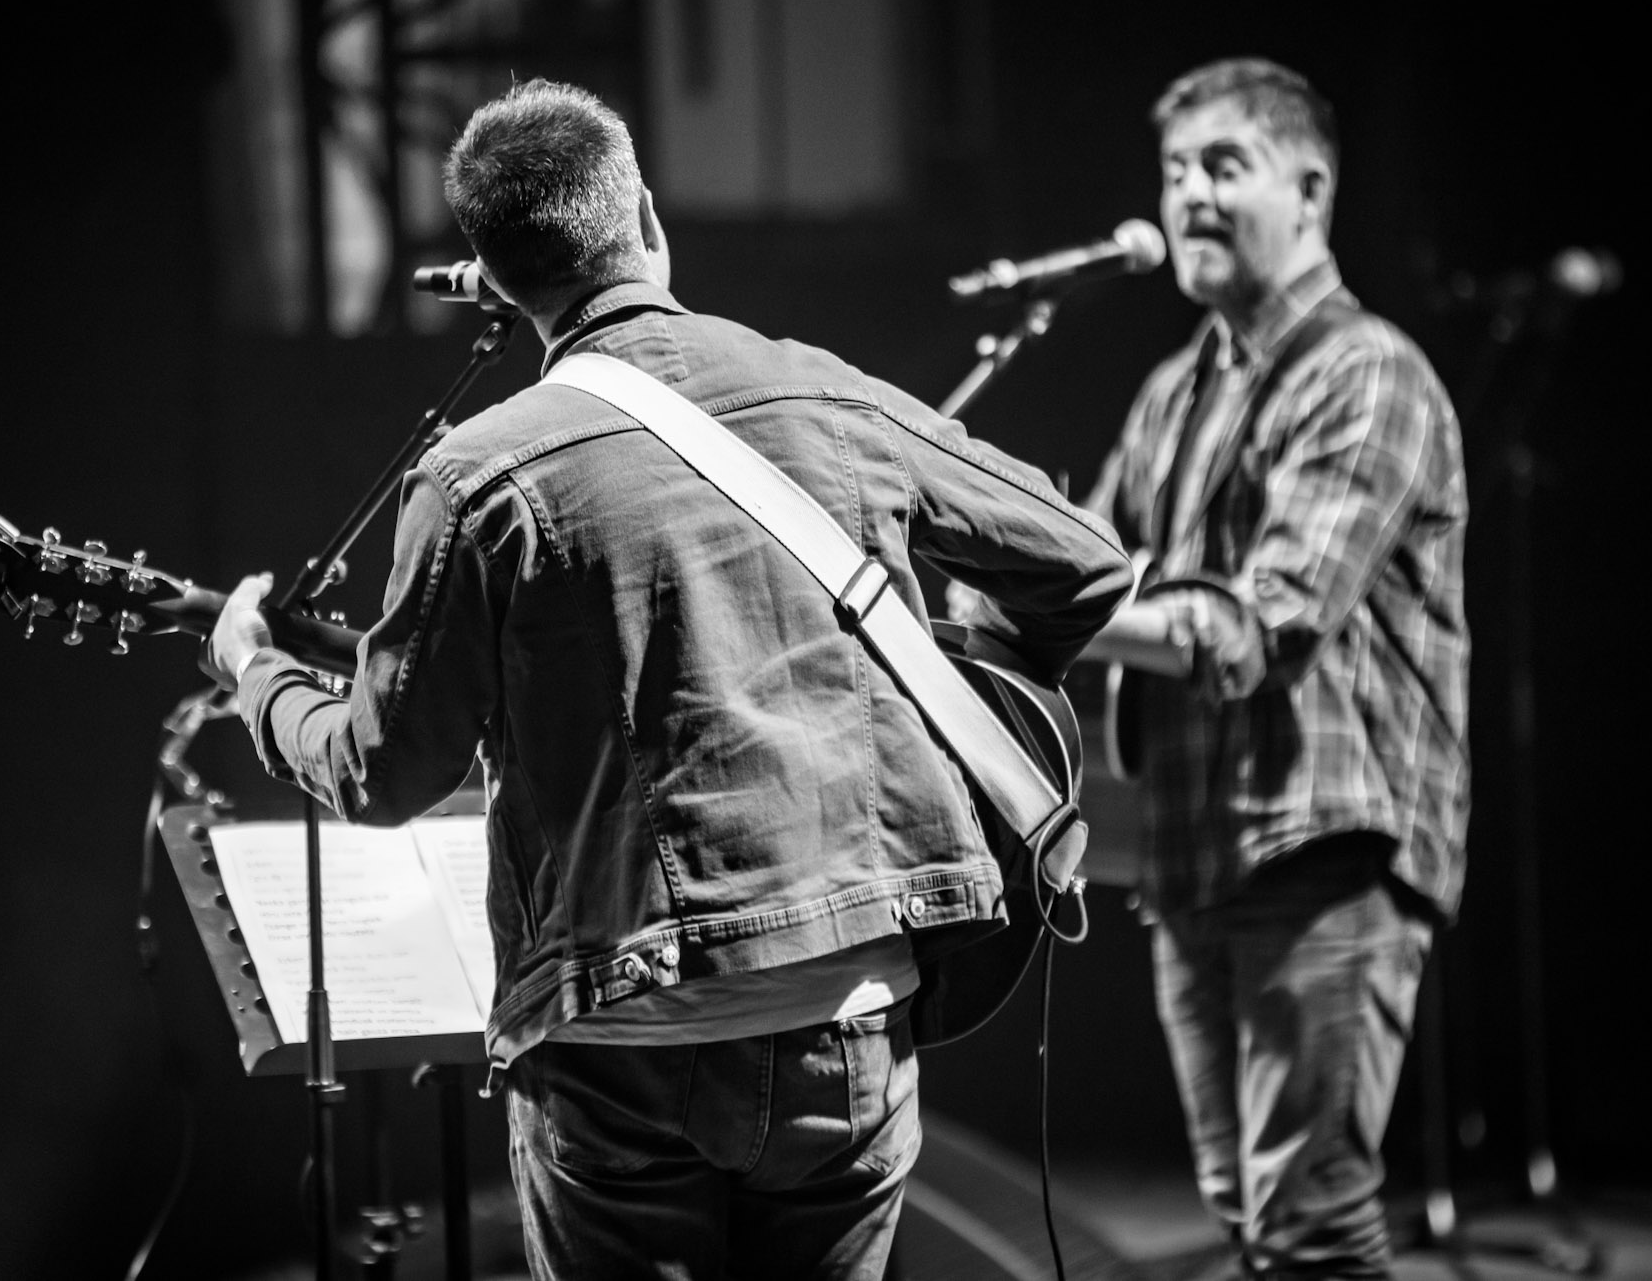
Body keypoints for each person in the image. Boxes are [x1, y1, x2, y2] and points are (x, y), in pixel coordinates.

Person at [206, 78, 1135, 1279]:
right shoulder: (821, 388)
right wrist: (961, 672)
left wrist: (254, 673)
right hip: (848, 1019)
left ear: (495, 281)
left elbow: (379, 771)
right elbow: (1085, 565)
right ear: (644, 214)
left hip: (619, 1046)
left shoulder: (475, 478)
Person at [1081, 58, 1470, 1279]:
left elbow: (1266, 623)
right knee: (1249, 1219)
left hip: (1321, 846)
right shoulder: (1174, 389)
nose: (1188, 195)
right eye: (1173, 171)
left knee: (1310, 1225)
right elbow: (1080, 558)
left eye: (1222, 166)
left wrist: (1059, 607)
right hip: (1188, 851)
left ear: (1309, 190)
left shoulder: (1366, 371)